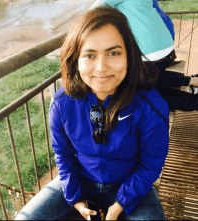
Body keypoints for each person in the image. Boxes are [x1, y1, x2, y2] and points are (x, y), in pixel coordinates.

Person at [15, 6, 169, 220]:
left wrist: (118, 207)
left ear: (129, 56)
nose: (101, 67)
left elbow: (151, 163)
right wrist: (75, 198)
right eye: (89, 55)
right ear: (76, 61)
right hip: (81, 179)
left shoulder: (149, 105)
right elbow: (64, 155)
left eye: (113, 53)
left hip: (131, 183)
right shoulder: (62, 104)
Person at [91, 0, 198, 111]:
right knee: (154, 81)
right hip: (164, 43)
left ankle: (195, 101)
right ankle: (193, 85)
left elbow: (93, 10)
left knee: (139, 94)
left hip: (150, 51)